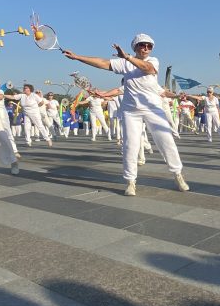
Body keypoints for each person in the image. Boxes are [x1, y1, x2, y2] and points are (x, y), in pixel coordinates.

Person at [63, 34, 189, 195]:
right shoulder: (123, 63)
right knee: (130, 145)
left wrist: (128, 58)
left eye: (149, 46)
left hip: (153, 109)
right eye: (142, 45)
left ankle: (177, 174)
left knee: (167, 141)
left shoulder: (153, 61)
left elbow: (148, 69)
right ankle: (130, 182)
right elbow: (103, 63)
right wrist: (77, 57)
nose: (146, 48)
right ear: (135, 47)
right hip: (131, 111)